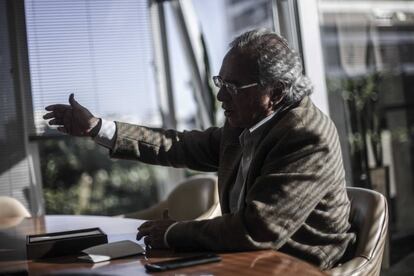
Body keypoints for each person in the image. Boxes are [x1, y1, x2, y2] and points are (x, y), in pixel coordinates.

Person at [43, 28, 355, 269]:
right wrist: (99, 127)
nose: (220, 97)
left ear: (274, 92)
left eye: (232, 87)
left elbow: (258, 229)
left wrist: (172, 232)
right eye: (220, 82)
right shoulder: (246, 122)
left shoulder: (306, 136)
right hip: (255, 259)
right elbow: (178, 146)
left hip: (303, 266)